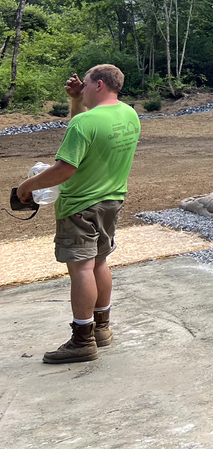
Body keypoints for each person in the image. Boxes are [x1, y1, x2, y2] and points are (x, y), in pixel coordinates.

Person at [17, 65, 141, 364]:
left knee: (81, 269)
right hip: (111, 200)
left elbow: (65, 169)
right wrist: (76, 99)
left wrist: (27, 187)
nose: (80, 88)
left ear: (98, 85)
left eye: (83, 85)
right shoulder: (128, 114)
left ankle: (82, 340)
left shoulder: (85, 123)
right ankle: (102, 329)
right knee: (99, 261)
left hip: (80, 207)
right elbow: (85, 129)